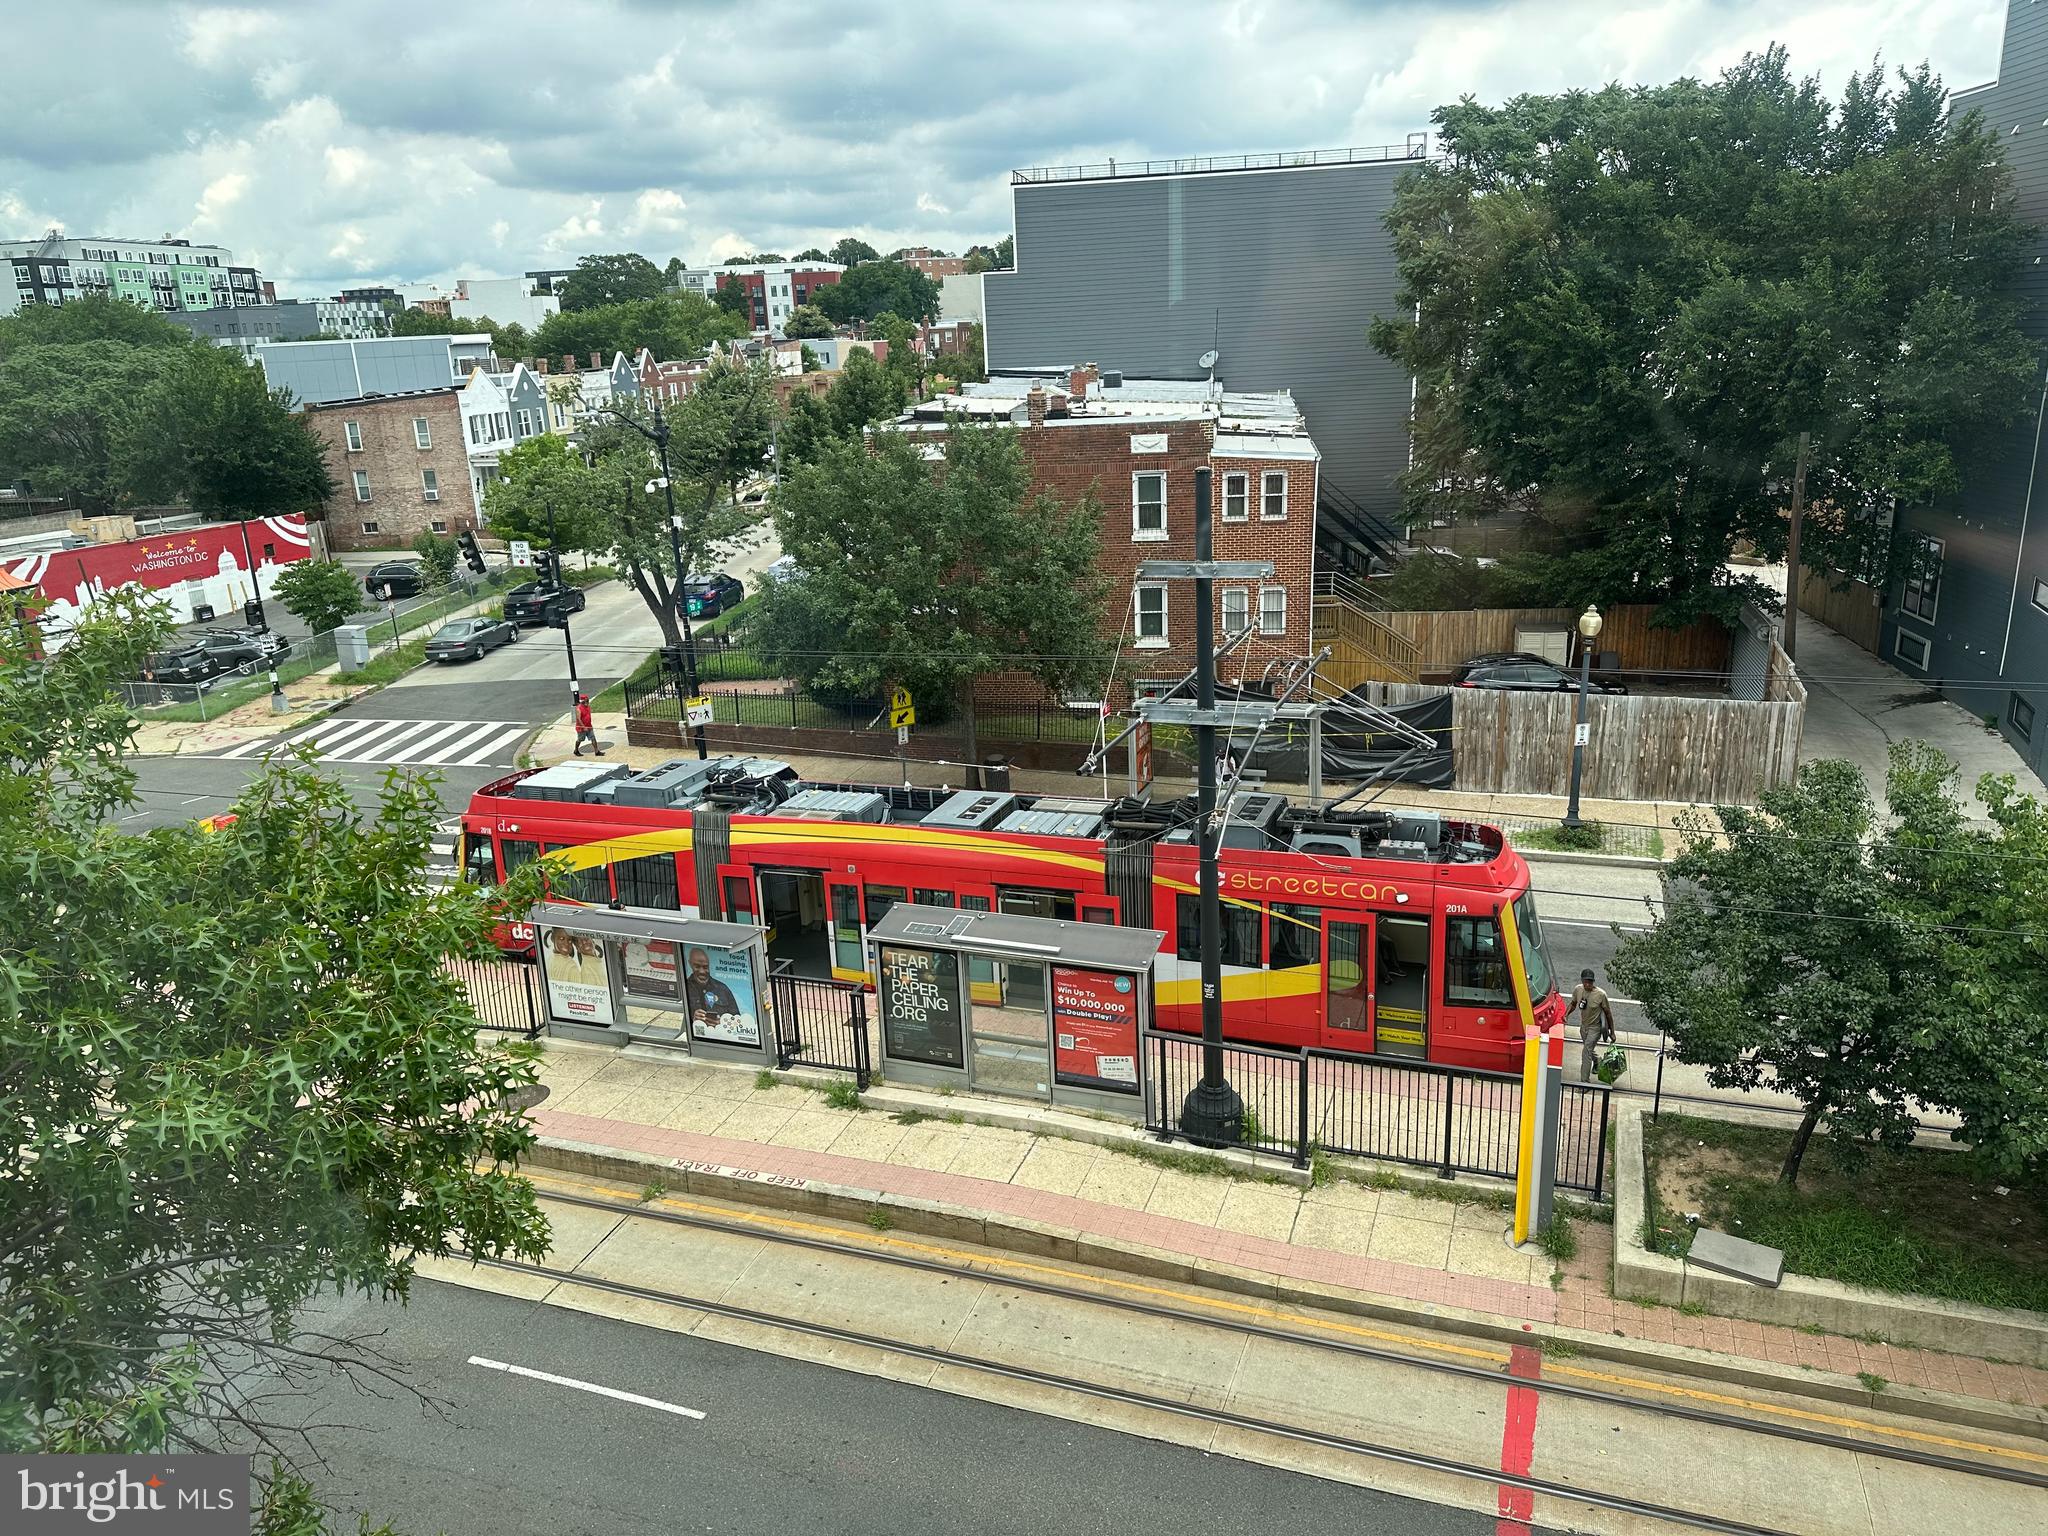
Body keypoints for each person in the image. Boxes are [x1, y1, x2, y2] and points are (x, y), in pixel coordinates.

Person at [1572, 967, 1617, 1082]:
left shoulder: (1601, 995)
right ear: (1582, 981)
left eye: (1590, 982)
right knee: (1589, 1049)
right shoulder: (1578, 990)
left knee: (1586, 1051)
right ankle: (1597, 1061)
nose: (1588, 984)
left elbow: (1608, 1013)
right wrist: (1565, 1015)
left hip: (1595, 1028)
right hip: (1584, 1027)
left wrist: (1612, 1032)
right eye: (1586, 981)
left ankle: (1584, 1082)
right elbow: (1573, 1004)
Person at [684, 947, 738, 1028]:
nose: (702, 971)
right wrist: (693, 1020)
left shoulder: (723, 989)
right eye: (697, 966)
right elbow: (675, 1018)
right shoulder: (684, 987)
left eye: (705, 967)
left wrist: (723, 1024)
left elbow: (738, 1021)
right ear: (690, 964)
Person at [572, 692, 602, 756]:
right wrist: (584, 727)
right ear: (582, 702)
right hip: (581, 728)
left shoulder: (588, 706)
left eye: (587, 701)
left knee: (593, 738)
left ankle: (596, 751)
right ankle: (576, 750)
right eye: (585, 701)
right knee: (580, 739)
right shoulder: (579, 708)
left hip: (589, 726)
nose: (587, 702)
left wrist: (589, 725)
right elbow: (579, 719)